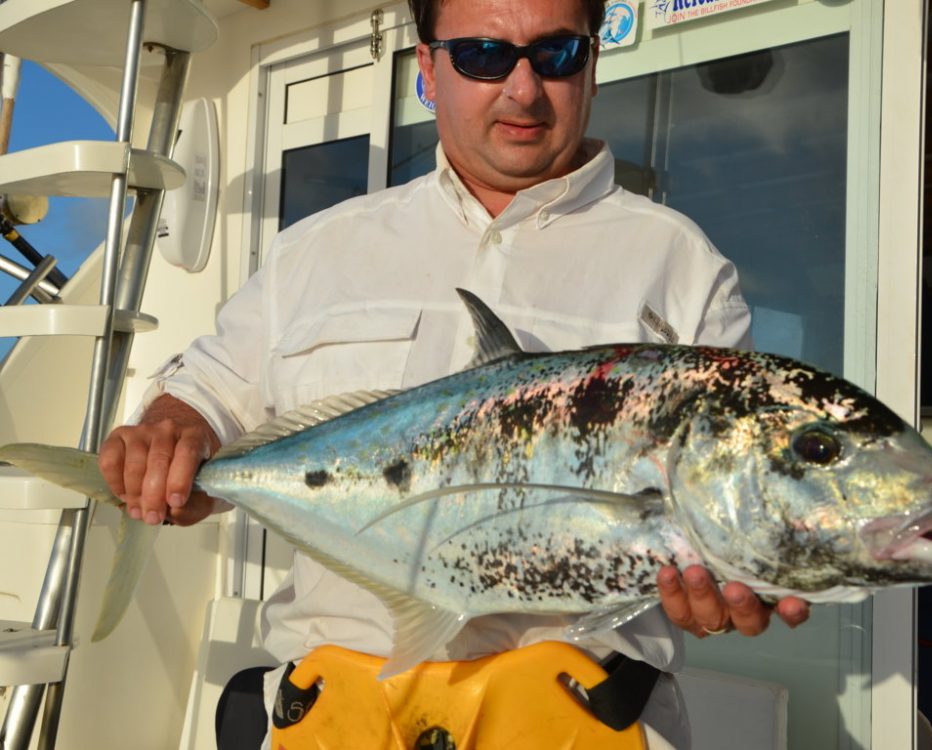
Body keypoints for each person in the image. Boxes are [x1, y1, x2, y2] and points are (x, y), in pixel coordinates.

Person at [99, 0, 809, 746]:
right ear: (428, 71)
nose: (524, 89)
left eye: (557, 54)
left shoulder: (684, 268)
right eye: (481, 54)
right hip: (337, 716)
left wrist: (734, 578)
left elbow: (721, 496)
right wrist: (171, 439)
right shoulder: (315, 251)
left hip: (573, 721)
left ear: (593, 64)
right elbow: (206, 400)